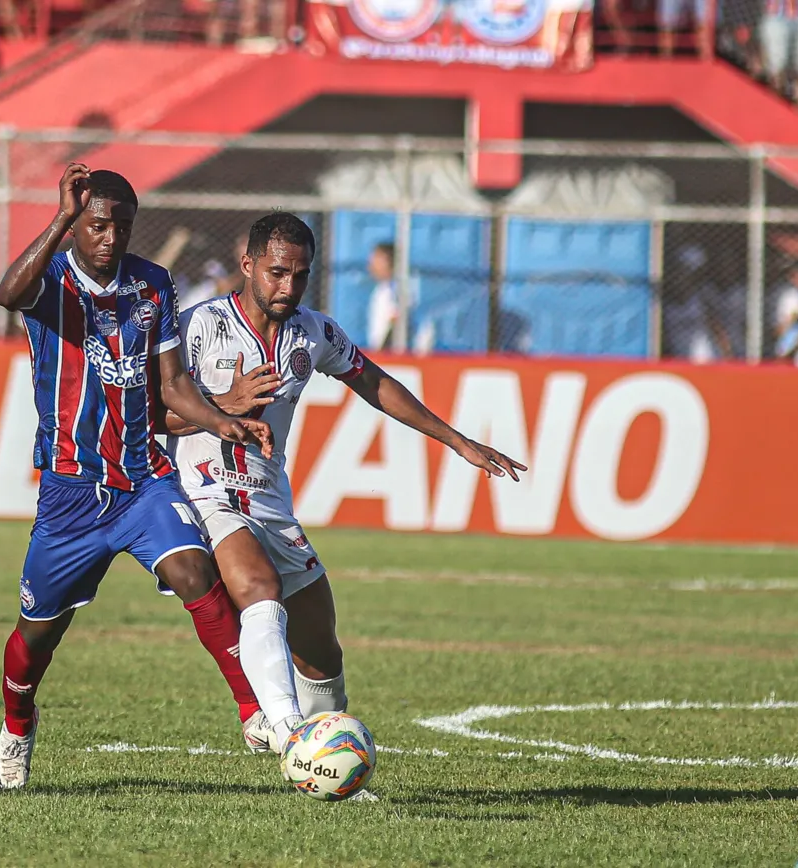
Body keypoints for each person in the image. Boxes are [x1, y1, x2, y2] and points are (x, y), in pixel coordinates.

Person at [161, 212, 525, 756]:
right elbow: (144, 415)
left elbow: (374, 382)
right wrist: (222, 407)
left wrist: (455, 439)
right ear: (248, 265)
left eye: (301, 275)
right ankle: (286, 736)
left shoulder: (314, 332)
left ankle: (330, 760)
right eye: (277, 272)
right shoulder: (195, 326)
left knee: (320, 647)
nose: (288, 287)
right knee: (259, 589)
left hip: (267, 495)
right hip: (203, 490)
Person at [0, 163, 286, 790]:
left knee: (192, 570)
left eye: (120, 226)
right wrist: (61, 218)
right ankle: (16, 728)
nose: (109, 238)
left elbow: (174, 384)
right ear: (77, 226)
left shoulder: (151, 285)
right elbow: (8, 295)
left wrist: (223, 420)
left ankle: (253, 711)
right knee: (36, 638)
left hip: (142, 477)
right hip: (70, 489)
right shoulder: (52, 281)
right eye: (96, 225)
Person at [366, 241, 397, 351]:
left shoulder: (396, 291)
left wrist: (382, 351)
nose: (371, 265)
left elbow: (396, 322)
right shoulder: (381, 290)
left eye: (376, 260)